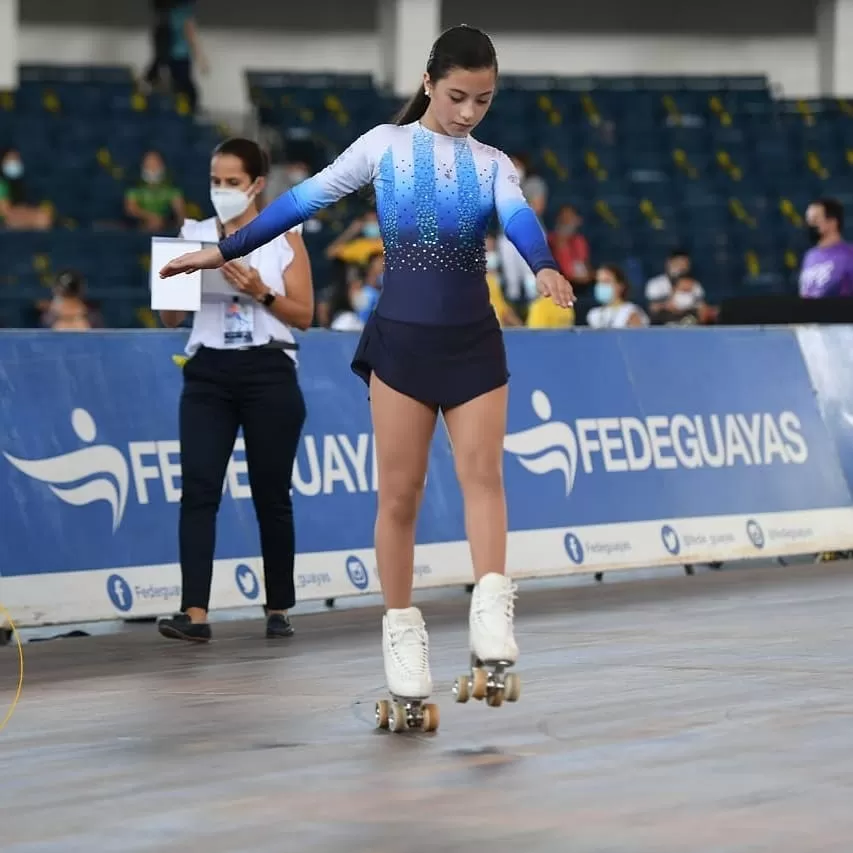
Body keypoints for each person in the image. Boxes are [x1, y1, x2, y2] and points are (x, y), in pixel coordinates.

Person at [158, 26, 574, 723]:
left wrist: (544, 265)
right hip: (402, 345)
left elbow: (520, 219)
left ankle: (491, 610)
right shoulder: (384, 146)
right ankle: (403, 641)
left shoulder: (494, 163)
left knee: (483, 477)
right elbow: (299, 203)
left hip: (472, 341)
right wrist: (220, 250)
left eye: (483, 100)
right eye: (456, 96)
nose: (469, 112)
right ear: (426, 83)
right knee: (400, 498)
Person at [156, 137, 314, 644]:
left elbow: (306, 315)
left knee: (272, 493)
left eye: (232, 183)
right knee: (199, 489)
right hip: (209, 372)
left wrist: (258, 291)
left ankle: (278, 606)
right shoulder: (193, 234)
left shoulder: (283, 233)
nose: (221, 191)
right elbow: (170, 316)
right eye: (215, 182)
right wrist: (179, 277)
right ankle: (194, 612)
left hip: (268, 369)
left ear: (257, 186)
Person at [799, 197, 853, 298]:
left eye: (814, 220)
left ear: (832, 222)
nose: (809, 225)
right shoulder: (810, 256)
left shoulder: (849, 255)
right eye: (808, 220)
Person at [586, 264, 649, 329]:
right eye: (598, 281)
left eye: (606, 281)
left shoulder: (630, 312)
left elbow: (638, 338)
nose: (601, 286)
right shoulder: (593, 314)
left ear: (620, 286)